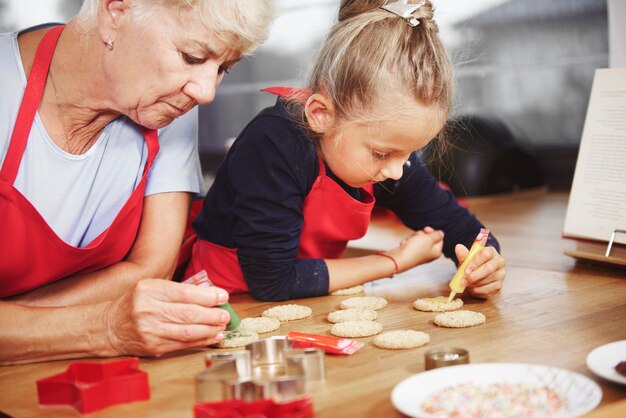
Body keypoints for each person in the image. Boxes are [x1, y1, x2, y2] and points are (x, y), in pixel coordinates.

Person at [0, 0, 275, 364]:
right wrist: (105, 327)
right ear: (115, 11)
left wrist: (18, 326)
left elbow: (151, 268)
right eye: (192, 57)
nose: (206, 92)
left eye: (224, 67)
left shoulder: (170, 108)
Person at [185, 0, 506, 302]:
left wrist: (483, 262)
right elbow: (273, 280)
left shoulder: (383, 149)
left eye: (410, 153)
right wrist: (394, 261)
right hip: (223, 298)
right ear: (321, 114)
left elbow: (460, 227)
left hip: (306, 296)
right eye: (382, 154)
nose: (399, 170)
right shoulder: (273, 145)